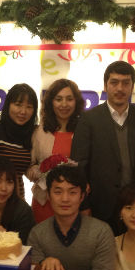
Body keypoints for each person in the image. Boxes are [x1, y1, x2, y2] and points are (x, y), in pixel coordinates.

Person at [71, 61, 135, 234]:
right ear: (105, 85)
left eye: (126, 83)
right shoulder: (88, 120)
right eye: (114, 82)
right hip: (101, 206)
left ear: (132, 86)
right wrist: (84, 205)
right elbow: (79, 167)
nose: (120, 88)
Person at [26, 78, 85, 222]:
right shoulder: (39, 131)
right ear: (51, 102)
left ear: (76, 102)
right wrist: (34, 170)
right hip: (44, 201)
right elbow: (29, 164)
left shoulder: (84, 130)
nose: (64, 104)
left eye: (69, 99)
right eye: (58, 99)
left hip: (74, 202)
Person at [0, 83, 37, 199]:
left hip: (18, 202)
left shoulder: (30, 136)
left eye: (29, 107)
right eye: (18, 105)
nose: (23, 111)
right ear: (8, 105)